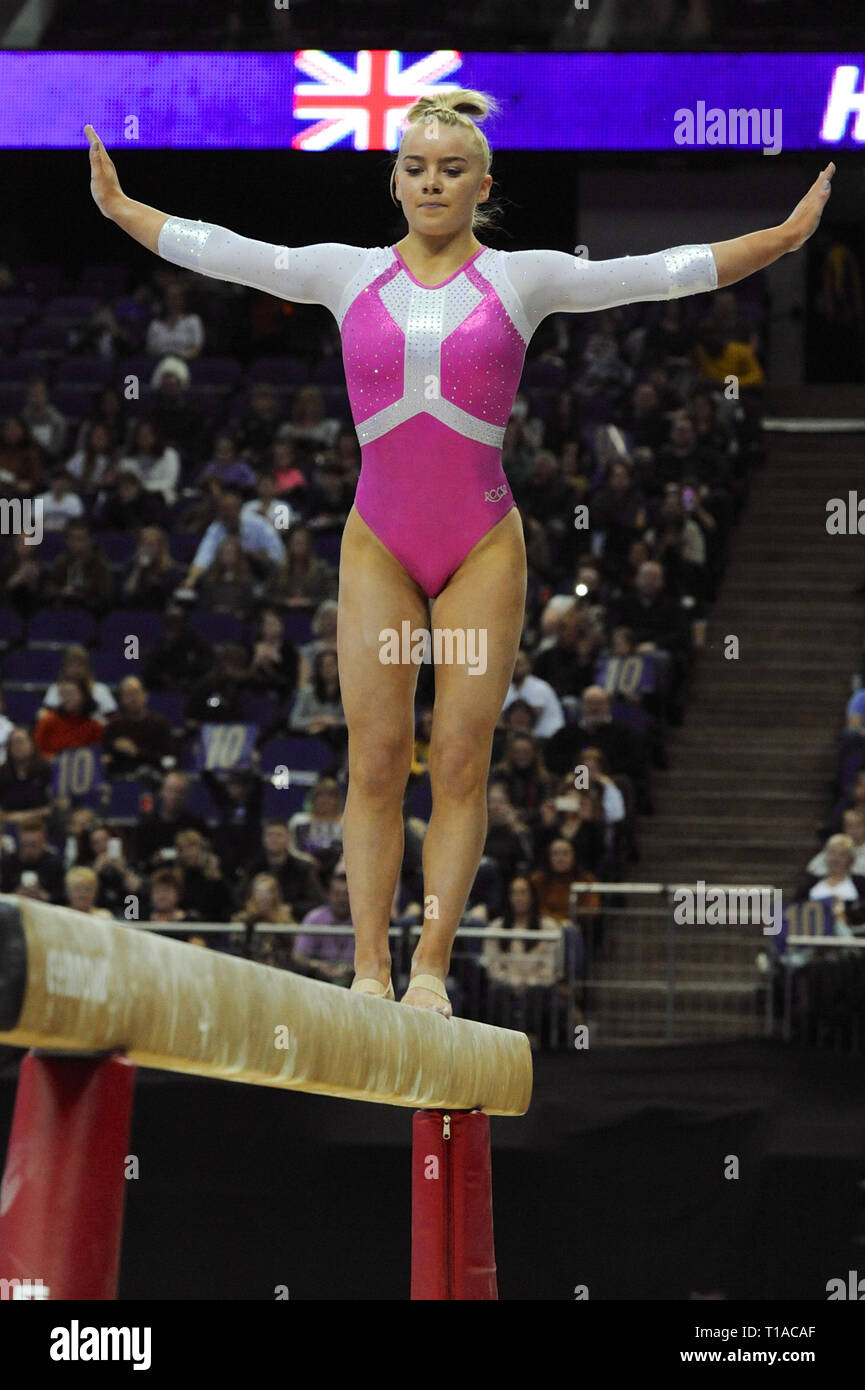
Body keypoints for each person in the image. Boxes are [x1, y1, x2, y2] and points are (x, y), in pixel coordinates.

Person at [85, 93, 835, 1014]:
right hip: (379, 543)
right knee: (372, 761)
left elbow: (658, 272)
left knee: (459, 762)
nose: (431, 181)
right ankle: (367, 970)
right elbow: (229, 251)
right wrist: (124, 212)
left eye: (450, 168)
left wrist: (779, 240)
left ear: (483, 185)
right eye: (414, 166)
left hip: (480, 543)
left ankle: (430, 969)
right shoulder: (344, 274)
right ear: (393, 180)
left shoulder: (523, 280)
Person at [293, 862, 355, 985]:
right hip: (318, 980)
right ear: (328, 895)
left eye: (346, 895)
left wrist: (354, 969)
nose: (341, 899)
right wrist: (318, 965)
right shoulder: (314, 918)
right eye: (336, 894)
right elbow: (298, 956)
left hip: (355, 978)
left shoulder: (362, 921)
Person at [33, 677, 105, 757]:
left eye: (71, 693)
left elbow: (96, 756)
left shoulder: (94, 726)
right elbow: (35, 752)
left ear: (83, 696)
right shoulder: (48, 722)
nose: (66, 698)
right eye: (63, 694)